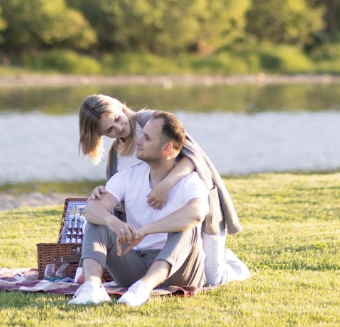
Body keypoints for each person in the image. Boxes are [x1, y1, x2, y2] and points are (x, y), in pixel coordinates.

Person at [77, 94, 245, 285]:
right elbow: (121, 197)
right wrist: (104, 195)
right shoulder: (117, 155)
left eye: (117, 119)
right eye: (109, 130)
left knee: (213, 278)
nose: (119, 128)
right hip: (148, 234)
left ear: (119, 106)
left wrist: (166, 185)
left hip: (187, 211)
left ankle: (231, 263)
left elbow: (193, 157)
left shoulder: (151, 121)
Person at [69, 111, 209, 307]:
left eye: (147, 138)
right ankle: (91, 288)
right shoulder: (128, 177)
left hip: (180, 272)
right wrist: (112, 221)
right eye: (142, 134)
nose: (138, 141)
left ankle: (143, 288)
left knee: (188, 227)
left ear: (167, 147)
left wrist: (144, 231)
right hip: (134, 266)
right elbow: (91, 209)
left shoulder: (190, 182)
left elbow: (196, 213)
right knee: (97, 221)